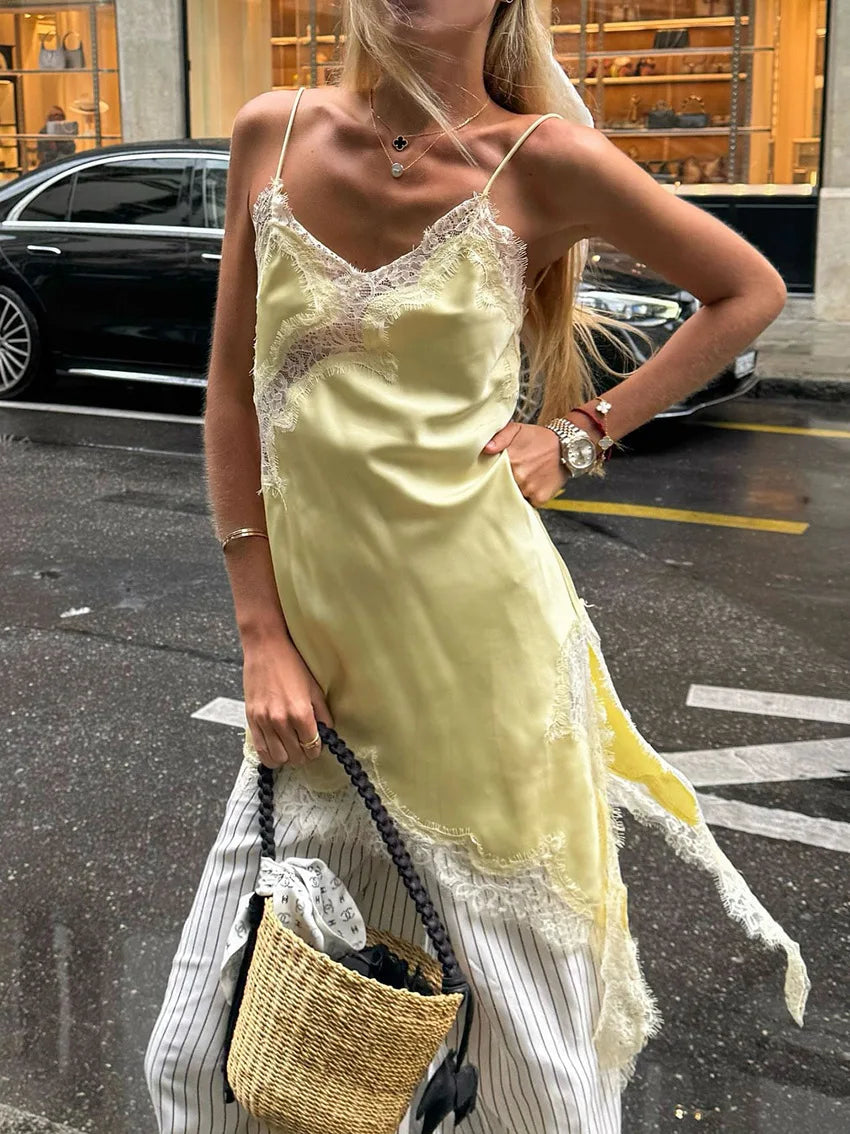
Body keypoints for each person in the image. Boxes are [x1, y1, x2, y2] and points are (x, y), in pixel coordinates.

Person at [144, 2, 810, 1131]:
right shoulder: (272, 129)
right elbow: (230, 394)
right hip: (317, 662)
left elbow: (748, 290)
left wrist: (582, 432)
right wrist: (258, 631)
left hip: (481, 658)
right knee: (207, 1066)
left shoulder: (543, 158)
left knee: (521, 1079)